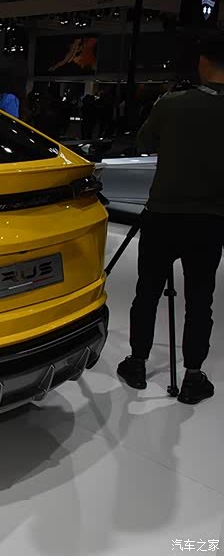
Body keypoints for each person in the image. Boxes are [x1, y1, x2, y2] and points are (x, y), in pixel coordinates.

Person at [117, 33, 224, 405]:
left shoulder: (172, 103)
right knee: (200, 299)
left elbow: (145, 142)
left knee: (147, 292)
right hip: (210, 219)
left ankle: (137, 363)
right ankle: (193, 376)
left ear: (203, 61)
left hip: (163, 215)